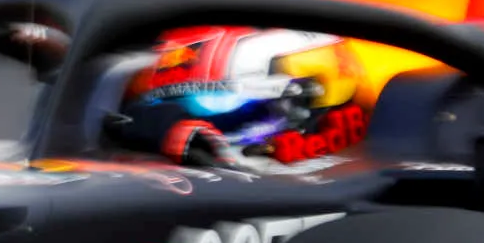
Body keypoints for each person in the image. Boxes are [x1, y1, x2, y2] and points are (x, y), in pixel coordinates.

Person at [109, 25, 366, 166]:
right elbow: (133, 116)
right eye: (188, 108)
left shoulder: (373, 157)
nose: (207, 123)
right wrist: (167, 126)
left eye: (225, 107)